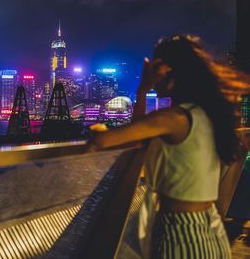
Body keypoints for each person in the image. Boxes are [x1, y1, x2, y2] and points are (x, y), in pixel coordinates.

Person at [85, 34, 249, 258]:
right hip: (210, 228)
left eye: (156, 67)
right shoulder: (206, 115)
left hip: (182, 233)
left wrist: (143, 89)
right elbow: (139, 137)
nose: (154, 74)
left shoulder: (173, 118)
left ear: (170, 72)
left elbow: (103, 141)